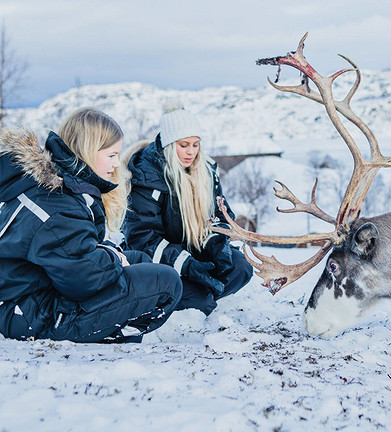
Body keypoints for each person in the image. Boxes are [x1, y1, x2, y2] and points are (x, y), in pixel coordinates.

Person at [0, 108, 183, 343]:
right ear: (87, 150)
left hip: (34, 295)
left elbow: (75, 252)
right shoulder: (57, 204)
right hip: (27, 313)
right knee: (166, 283)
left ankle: (110, 326)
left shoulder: (57, 186)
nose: (117, 164)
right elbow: (84, 279)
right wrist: (115, 258)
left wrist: (113, 254)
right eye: (111, 155)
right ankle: (110, 335)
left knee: (138, 260)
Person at [125, 103, 252, 316]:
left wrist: (217, 247)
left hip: (195, 249)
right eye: (183, 145)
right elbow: (142, 238)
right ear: (168, 144)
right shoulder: (147, 177)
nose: (191, 152)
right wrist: (186, 265)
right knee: (201, 300)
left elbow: (221, 215)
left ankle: (196, 296)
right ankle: (190, 298)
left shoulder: (207, 171)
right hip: (159, 260)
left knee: (241, 269)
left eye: (195, 144)